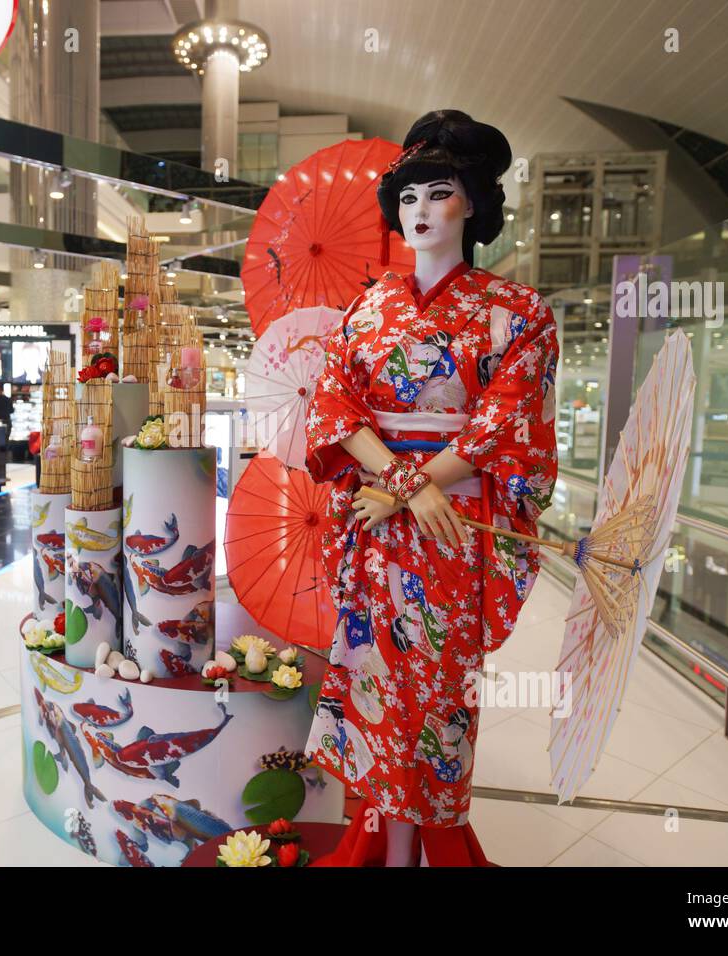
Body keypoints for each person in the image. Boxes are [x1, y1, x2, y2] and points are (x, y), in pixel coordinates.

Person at [303, 109, 559, 868]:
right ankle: (389, 841)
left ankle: (424, 846)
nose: (419, 212)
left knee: (440, 690)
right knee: (376, 679)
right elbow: (332, 405)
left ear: (473, 203)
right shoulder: (367, 308)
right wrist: (402, 484)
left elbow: (503, 425)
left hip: (452, 526)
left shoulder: (519, 313)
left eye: (438, 193)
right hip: (383, 522)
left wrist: (408, 485)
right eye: (408, 197)